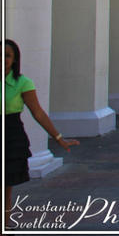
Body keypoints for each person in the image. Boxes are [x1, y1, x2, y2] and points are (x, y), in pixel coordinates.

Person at [5, 40, 79, 228]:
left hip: (10, 134)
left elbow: (37, 112)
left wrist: (59, 138)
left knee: (5, 185)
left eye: (7, 55)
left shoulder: (22, 82)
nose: (2, 59)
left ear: (14, 60)